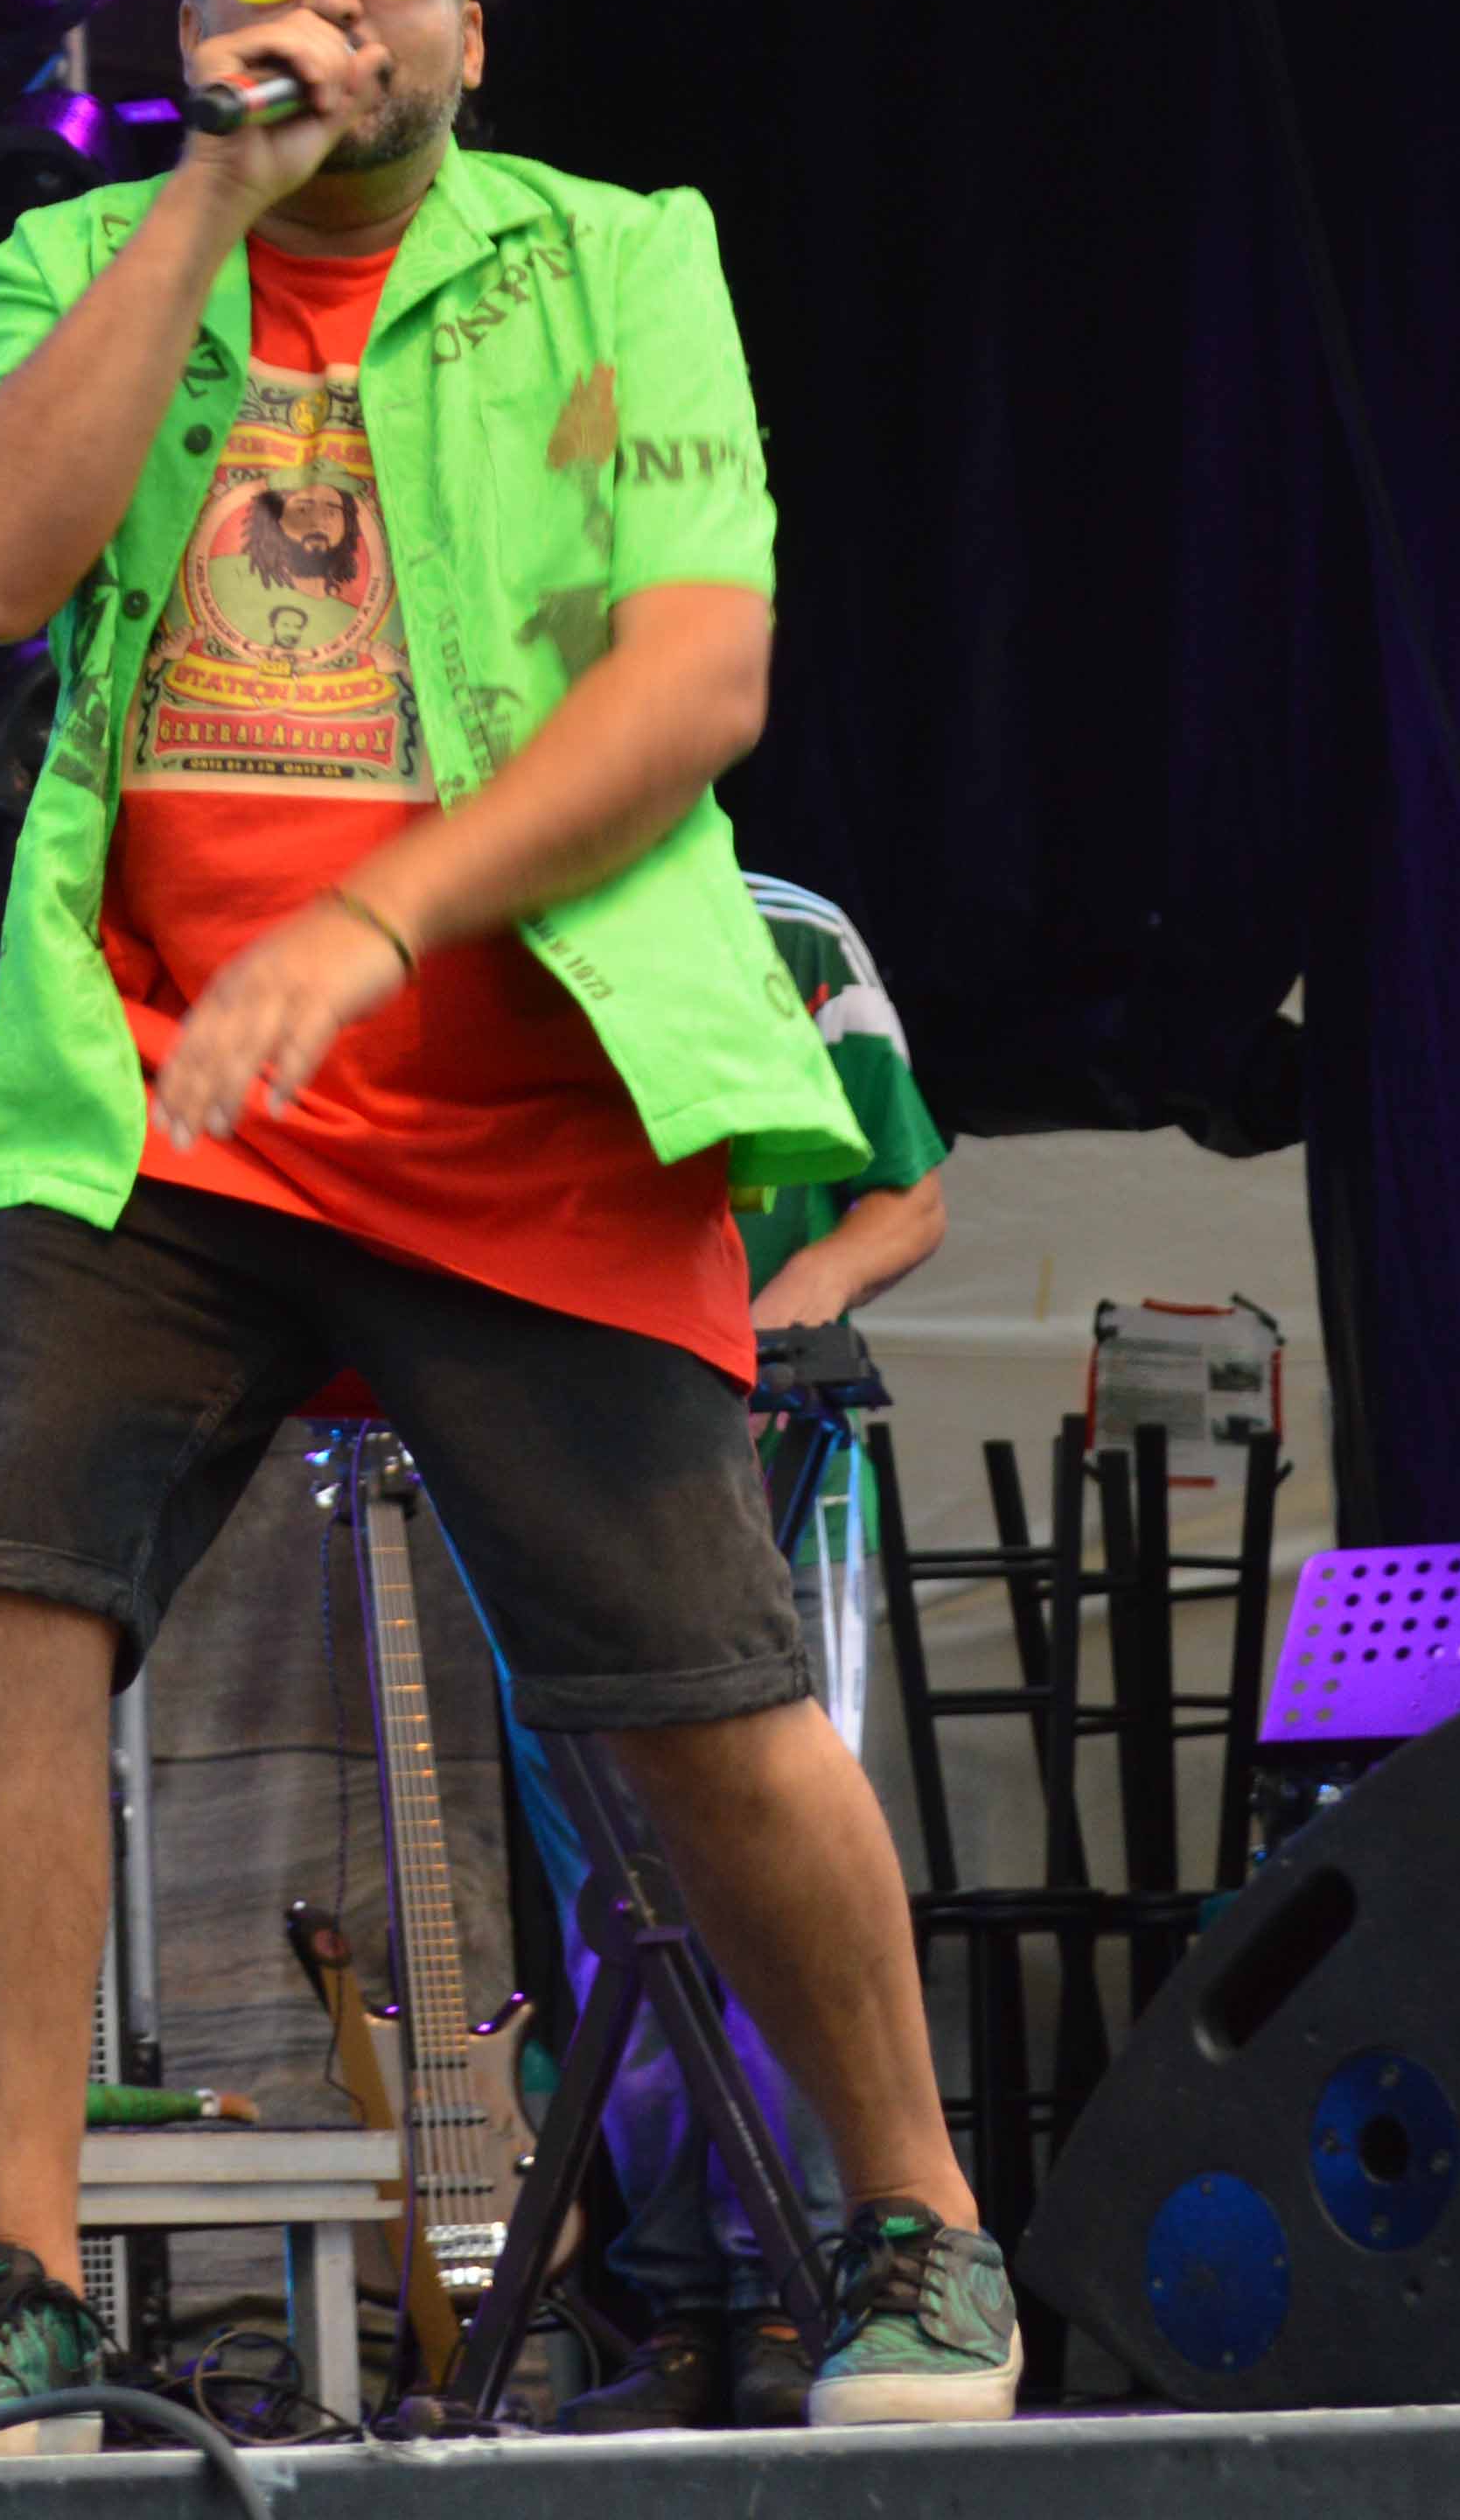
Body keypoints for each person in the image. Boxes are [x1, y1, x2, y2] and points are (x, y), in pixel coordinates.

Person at [0, 0, 1016, 2449]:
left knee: (695, 1691)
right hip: (150, 1088)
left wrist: (377, 918)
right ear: (187, 30)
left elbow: (688, 682)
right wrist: (193, 212)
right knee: (1, 1602)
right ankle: (20, 2287)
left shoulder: (616, 268)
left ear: (467, 31)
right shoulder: (73, 263)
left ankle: (919, 2222)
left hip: (523, 1094)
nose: (320, 13)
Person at [515, 871, 953, 2432]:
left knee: (773, 1874)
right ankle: (690, 2312)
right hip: (554, 1455)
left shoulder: (787, 929)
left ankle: (820, 2285)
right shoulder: (465, 914)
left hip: (767, 1442)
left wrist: (779, 1322)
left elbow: (909, 1194)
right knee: (613, 1907)